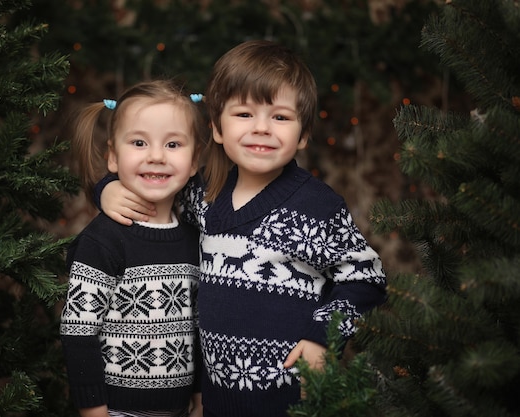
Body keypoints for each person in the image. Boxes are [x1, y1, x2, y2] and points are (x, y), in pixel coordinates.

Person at [96, 40, 387, 417]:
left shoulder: (316, 207)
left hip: (289, 399)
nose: (262, 128)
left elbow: (366, 278)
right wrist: (108, 188)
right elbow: (153, 185)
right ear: (217, 127)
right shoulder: (202, 194)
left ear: (302, 135)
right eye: (245, 114)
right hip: (216, 400)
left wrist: (323, 338)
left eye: (280, 118)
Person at [60, 79, 205, 417]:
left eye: (173, 144)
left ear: (195, 159)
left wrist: (199, 392)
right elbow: (78, 332)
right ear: (113, 156)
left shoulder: (194, 236)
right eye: (139, 142)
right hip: (117, 410)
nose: (156, 156)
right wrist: (93, 410)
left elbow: (197, 326)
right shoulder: (104, 240)